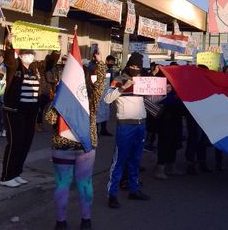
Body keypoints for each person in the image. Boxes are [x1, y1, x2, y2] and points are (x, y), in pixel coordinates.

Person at [45, 57, 107, 230]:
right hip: (85, 146)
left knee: (62, 183)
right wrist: (100, 63)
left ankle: (61, 222)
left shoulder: (60, 98)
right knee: (85, 182)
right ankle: (86, 221)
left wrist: (56, 98)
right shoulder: (91, 99)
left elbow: (49, 119)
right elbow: (101, 84)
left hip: (61, 146)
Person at [1, 37, 60, 188]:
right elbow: (9, 58)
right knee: (15, 143)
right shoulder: (15, 66)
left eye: (32, 53)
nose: (31, 55)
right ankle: (6, 176)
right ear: (20, 54)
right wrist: (10, 44)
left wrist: (56, 49)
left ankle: (17, 173)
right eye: (27, 53)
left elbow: (49, 63)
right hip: (14, 110)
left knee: (26, 143)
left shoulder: (36, 67)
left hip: (30, 111)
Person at [104, 52, 151, 208]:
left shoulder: (143, 82)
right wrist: (123, 87)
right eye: (132, 66)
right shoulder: (119, 79)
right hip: (125, 125)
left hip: (141, 124)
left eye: (138, 66)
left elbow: (151, 100)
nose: (135, 68)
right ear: (128, 65)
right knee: (119, 160)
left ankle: (134, 189)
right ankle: (112, 194)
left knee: (136, 159)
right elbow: (107, 99)